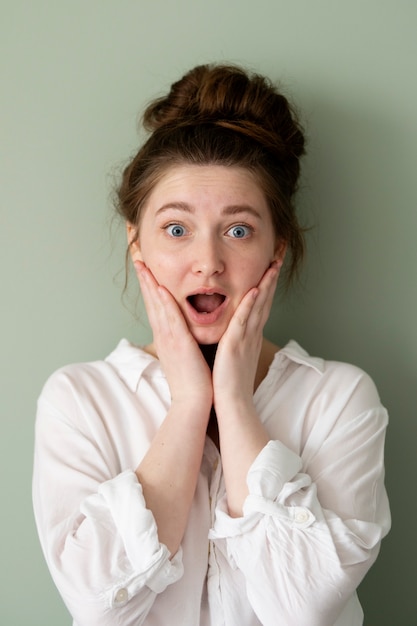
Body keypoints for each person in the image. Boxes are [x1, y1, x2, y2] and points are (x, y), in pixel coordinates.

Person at [32, 63, 390, 626]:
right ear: (137, 243)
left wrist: (237, 402)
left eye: (238, 230)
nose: (208, 263)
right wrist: (188, 406)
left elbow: (305, 611)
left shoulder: (340, 397)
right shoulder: (79, 399)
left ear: (279, 248)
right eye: (176, 229)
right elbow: (97, 607)